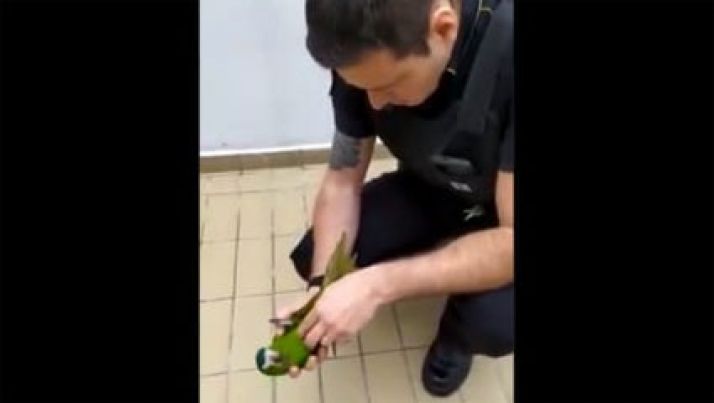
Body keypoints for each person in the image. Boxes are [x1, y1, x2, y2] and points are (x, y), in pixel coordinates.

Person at [276, 0, 513, 396]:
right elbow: (342, 181)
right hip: (435, 183)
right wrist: (322, 289)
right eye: (361, 88)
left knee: (493, 322)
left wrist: (377, 286)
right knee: (316, 254)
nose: (374, 104)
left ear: (443, 28)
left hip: (506, 214)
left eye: (389, 85)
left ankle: (457, 337)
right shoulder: (362, 47)